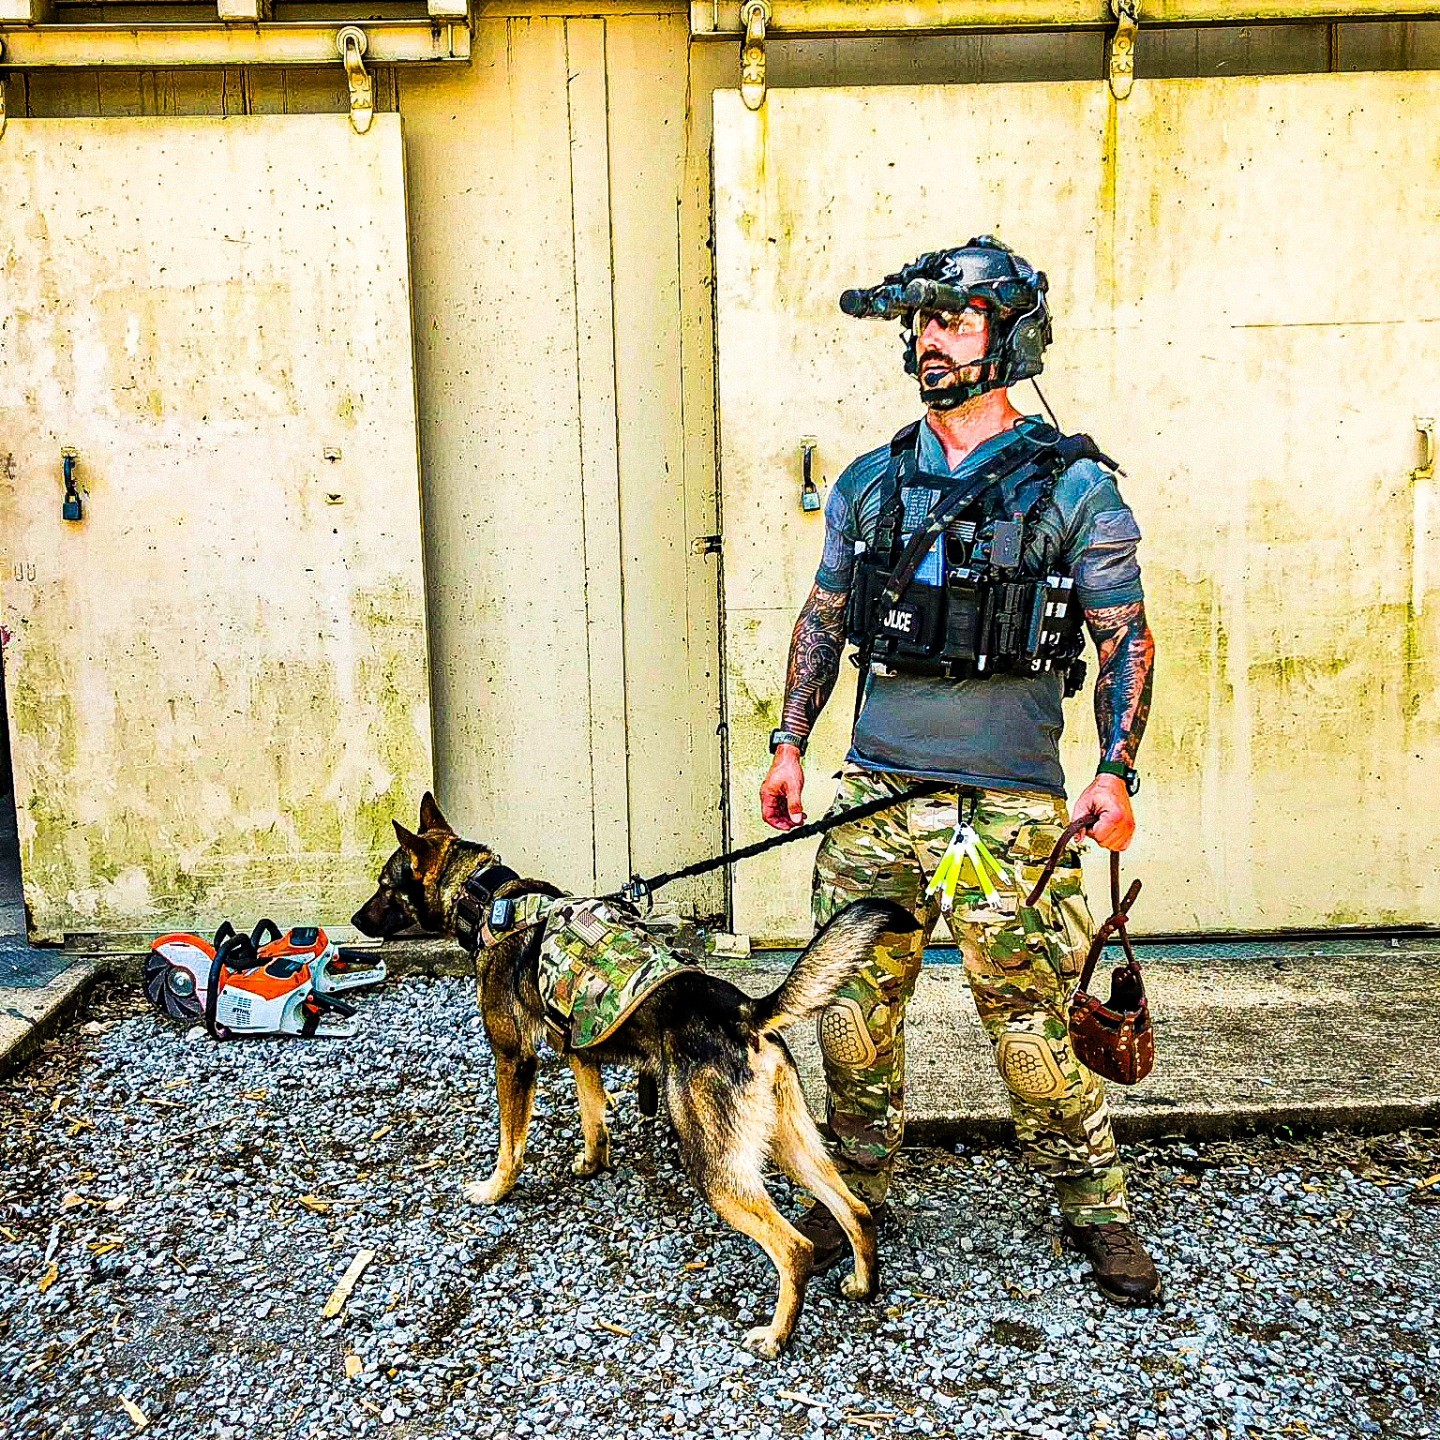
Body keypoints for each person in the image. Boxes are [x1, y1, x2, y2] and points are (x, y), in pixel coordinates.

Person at [758, 237, 1160, 1305]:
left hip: (1011, 812)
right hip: (876, 800)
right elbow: (825, 618)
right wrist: (791, 744)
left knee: (1032, 1024)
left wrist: (1115, 770)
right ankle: (852, 1191)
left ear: (1012, 334)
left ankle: (1095, 1206)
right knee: (851, 1019)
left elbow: (1124, 636)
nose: (930, 341)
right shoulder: (870, 483)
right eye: (921, 323)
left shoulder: (1075, 488)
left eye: (956, 319)